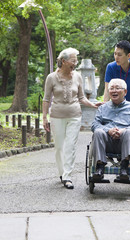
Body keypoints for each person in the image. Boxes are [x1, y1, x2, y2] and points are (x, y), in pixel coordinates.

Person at [43, 47, 101, 189]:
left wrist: (93, 105)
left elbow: (81, 97)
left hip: (75, 116)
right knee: (59, 147)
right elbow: (46, 99)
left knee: (70, 146)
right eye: (73, 61)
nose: (75, 64)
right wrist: (44, 117)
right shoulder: (51, 78)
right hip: (57, 116)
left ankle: (67, 176)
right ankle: (62, 172)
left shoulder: (77, 76)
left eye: (76, 61)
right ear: (63, 61)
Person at [91, 78, 130, 181]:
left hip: (125, 142)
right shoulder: (102, 108)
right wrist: (108, 130)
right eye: (111, 88)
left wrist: (123, 130)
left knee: (129, 132)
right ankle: (100, 168)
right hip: (106, 142)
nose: (114, 91)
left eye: (117, 88)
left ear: (125, 92)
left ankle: (124, 167)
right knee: (98, 132)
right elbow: (94, 125)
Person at [103, 40, 130, 110]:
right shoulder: (110, 67)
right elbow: (107, 89)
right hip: (116, 106)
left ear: (128, 55)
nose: (116, 57)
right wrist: (104, 107)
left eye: (119, 55)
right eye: (115, 54)